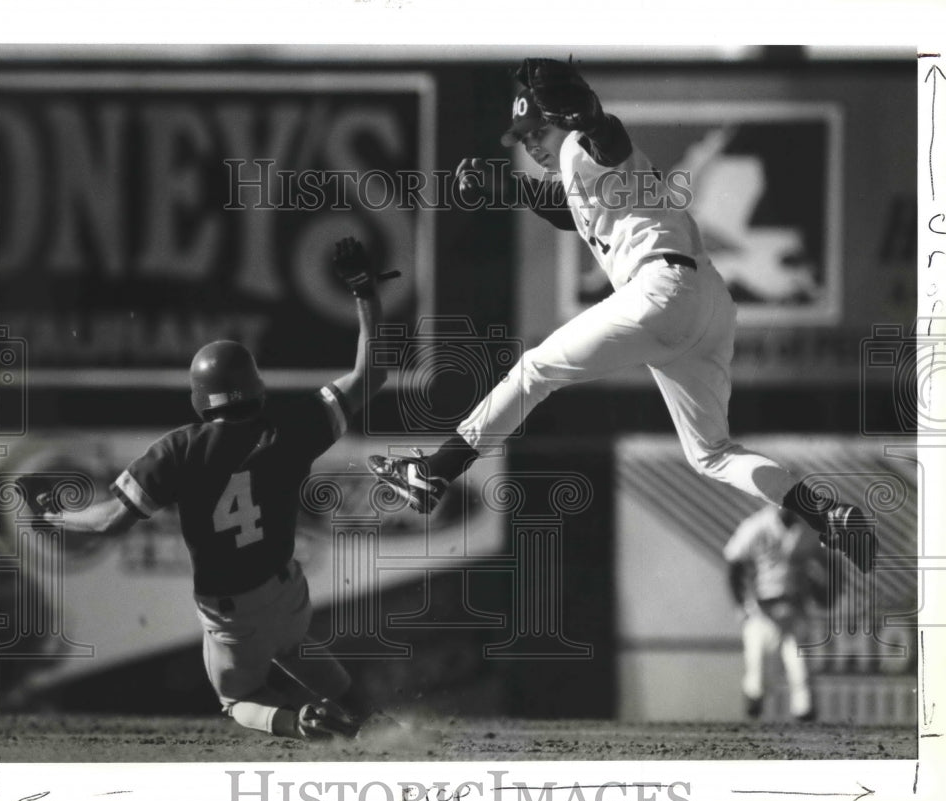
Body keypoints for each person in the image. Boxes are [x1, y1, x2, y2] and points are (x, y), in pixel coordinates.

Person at [368, 57, 874, 575]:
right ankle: (827, 513)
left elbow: (605, 140)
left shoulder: (580, 146)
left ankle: (436, 469)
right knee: (713, 454)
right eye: (522, 139)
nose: (528, 145)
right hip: (707, 302)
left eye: (532, 132)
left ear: (557, 120)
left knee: (535, 371)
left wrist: (587, 113)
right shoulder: (580, 171)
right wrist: (514, 189)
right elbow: (573, 209)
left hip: (661, 289)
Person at [20, 237, 396, 741]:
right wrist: (364, 294)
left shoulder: (180, 449)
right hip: (288, 592)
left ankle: (299, 720)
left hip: (231, 611)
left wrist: (53, 518)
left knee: (237, 698)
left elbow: (110, 523)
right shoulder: (291, 425)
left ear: (201, 398)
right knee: (290, 646)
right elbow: (371, 375)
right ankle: (367, 718)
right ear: (255, 385)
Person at [724, 506, 829, 721]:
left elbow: (826, 565)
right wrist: (739, 603)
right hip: (763, 610)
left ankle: (806, 721)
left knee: (801, 671)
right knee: (758, 675)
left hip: (795, 607)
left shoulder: (809, 527)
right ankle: (753, 722)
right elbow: (734, 562)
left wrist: (823, 592)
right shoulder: (756, 526)